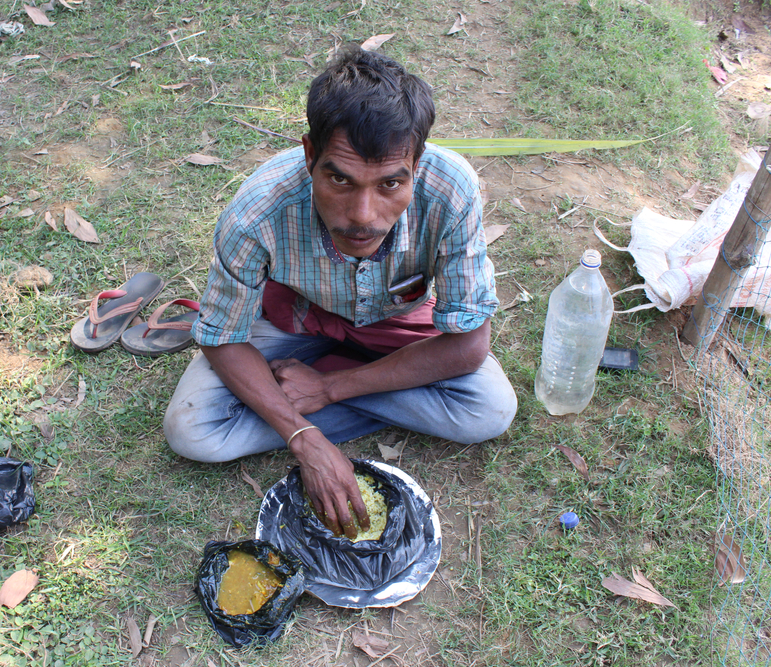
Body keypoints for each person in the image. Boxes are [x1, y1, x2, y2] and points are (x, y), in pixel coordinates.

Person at [164, 45, 517, 539]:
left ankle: (318, 385)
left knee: (488, 410)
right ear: (310, 155)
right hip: (291, 322)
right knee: (192, 430)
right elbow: (222, 336)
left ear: (418, 163)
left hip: (394, 326)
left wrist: (329, 389)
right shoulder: (256, 212)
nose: (363, 215)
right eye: (339, 179)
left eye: (392, 183)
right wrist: (304, 439)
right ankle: (332, 396)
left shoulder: (452, 189)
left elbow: (468, 345)